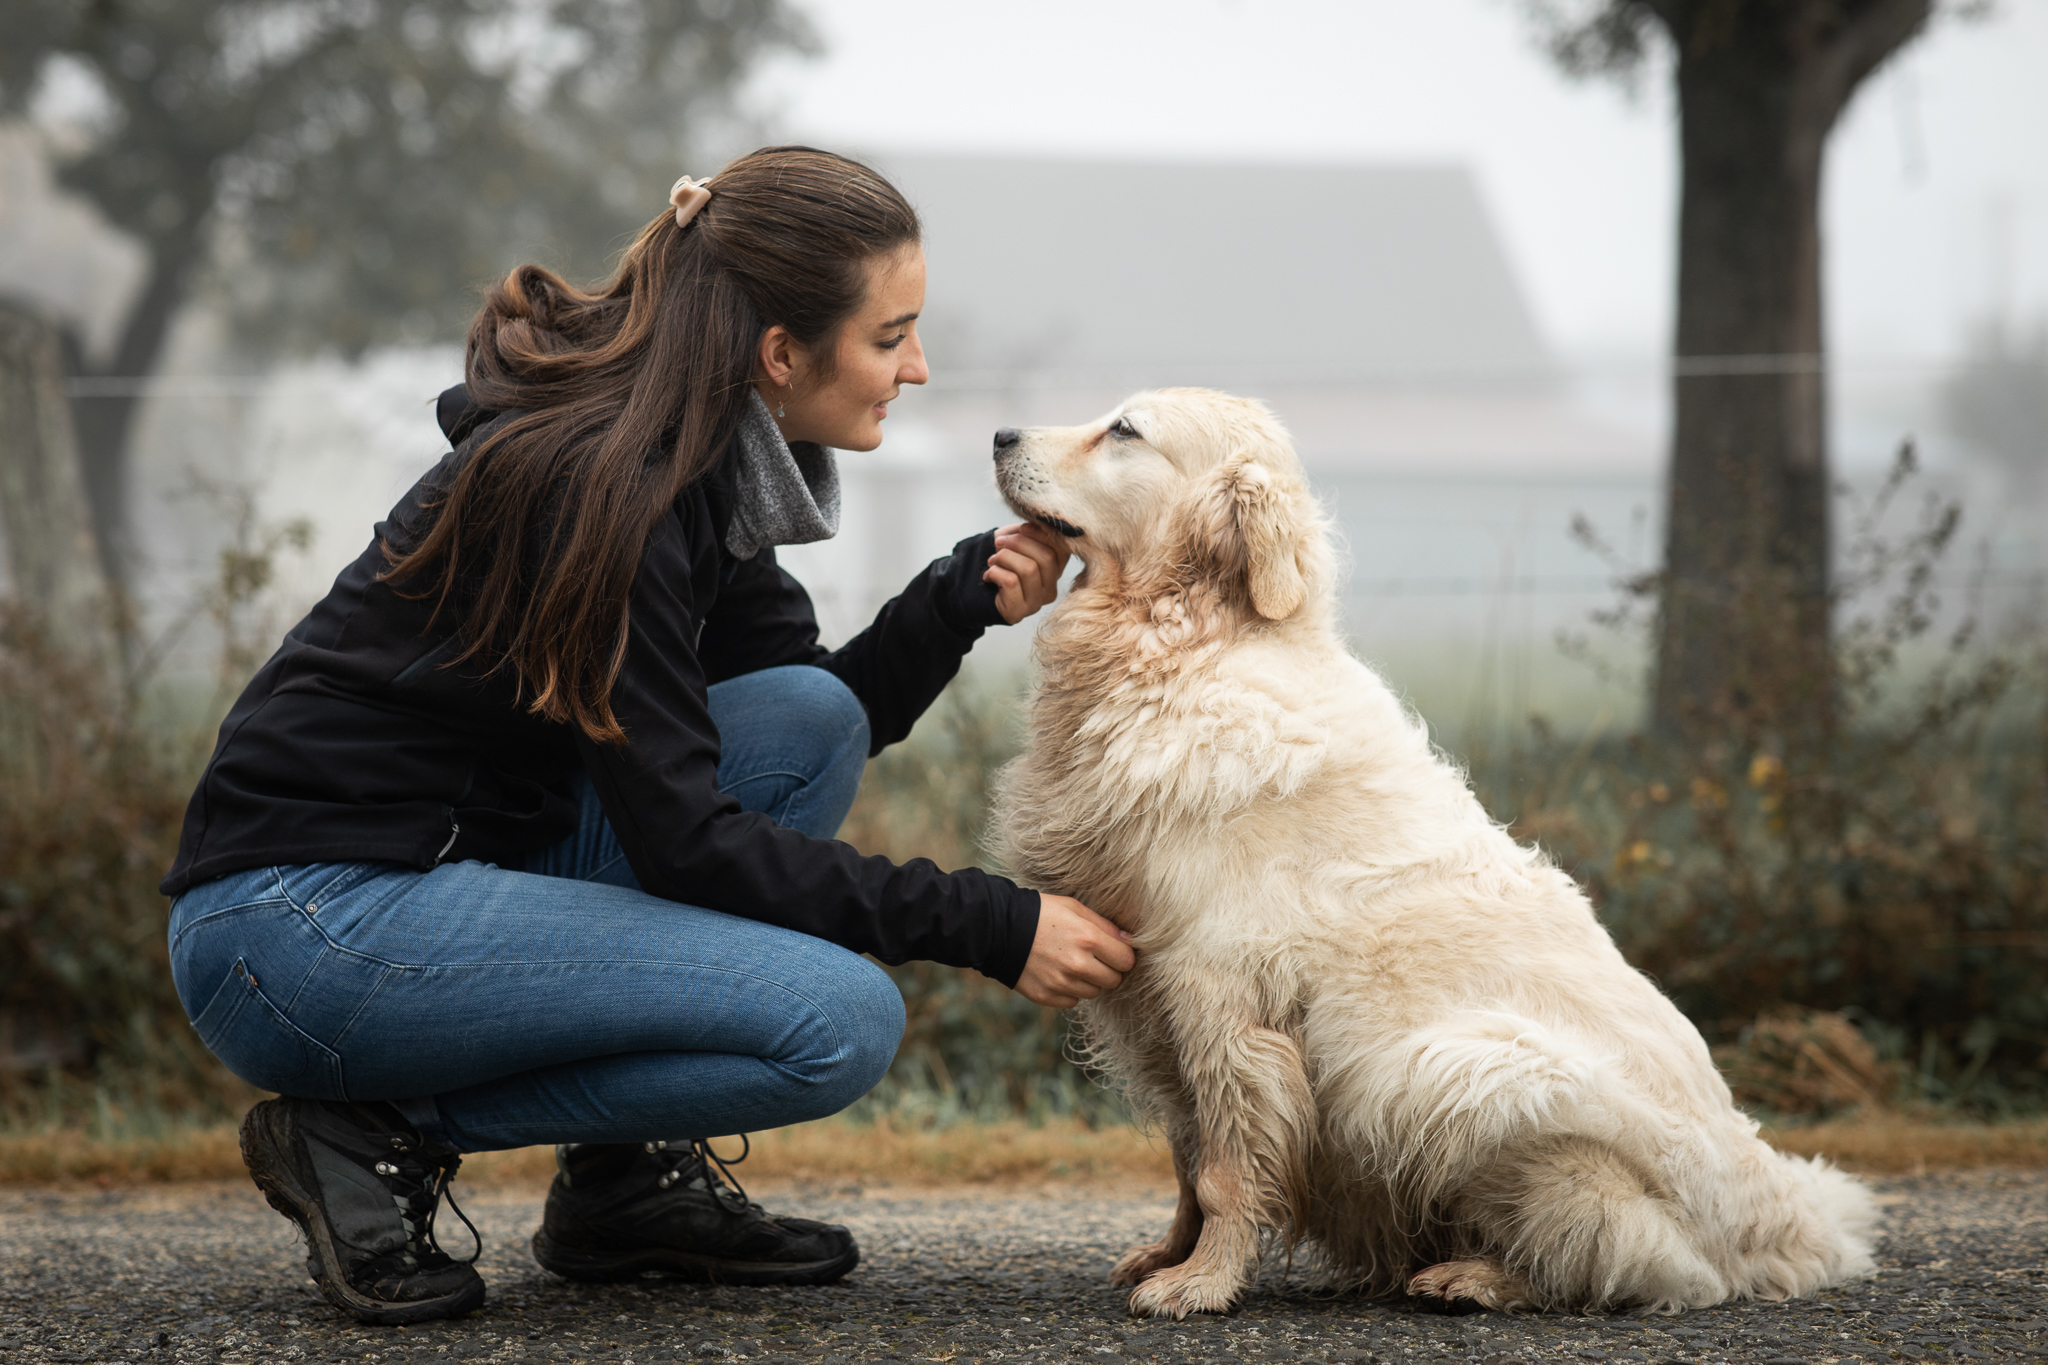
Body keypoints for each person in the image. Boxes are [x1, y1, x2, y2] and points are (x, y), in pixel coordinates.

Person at [160, 146, 1136, 1326]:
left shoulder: (699, 461)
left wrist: (954, 600)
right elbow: (687, 839)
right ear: (780, 353)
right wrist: (992, 921)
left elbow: (805, 729)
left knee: (803, 714)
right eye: (890, 337)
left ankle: (620, 1186)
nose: (915, 369)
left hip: (434, 871)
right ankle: (371, 1134)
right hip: (301, 923)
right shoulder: (608, 489)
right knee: (836, 1022)